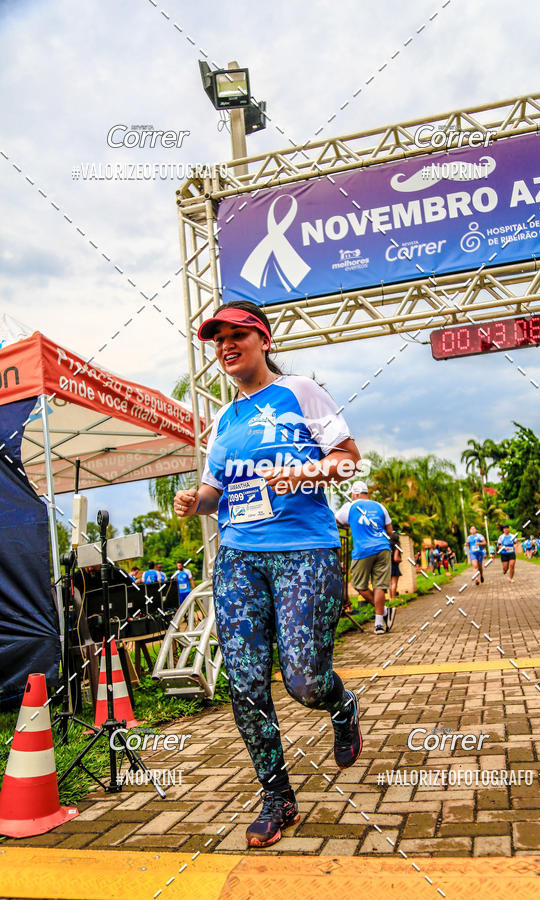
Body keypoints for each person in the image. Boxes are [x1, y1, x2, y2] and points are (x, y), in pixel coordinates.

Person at [173, 299, 363, 849]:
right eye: (218, 340)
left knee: (304, 680)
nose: (226, 346)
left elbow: (349, 458)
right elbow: (216, 492)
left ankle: (340, 703)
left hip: (305, 551)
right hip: (238, 558)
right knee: (246, 682)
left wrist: (301, 471)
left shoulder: (301, 391)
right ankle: (277, 797)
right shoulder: (224, 422)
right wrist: (196, 501)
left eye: (238, 335)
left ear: (264, 340)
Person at [335, 482, 395, 635]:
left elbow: (335, 522)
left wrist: (352, 526)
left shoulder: (349, 506)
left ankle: (384, 611)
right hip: (383, 548)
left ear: (354, 493)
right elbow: (390, 530)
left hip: (363, 550)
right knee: (380, 586)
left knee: (359, 585)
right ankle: (379, 624)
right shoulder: (381, 507)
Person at [389, 537, 402, 602]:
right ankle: (394, 597)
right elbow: (396, 558)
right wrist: (400, 560)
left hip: (387, 565)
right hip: (394, 565)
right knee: (394, 583)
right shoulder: (396, 546)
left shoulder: (388, 545)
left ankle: (390, 598)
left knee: (390, 584)